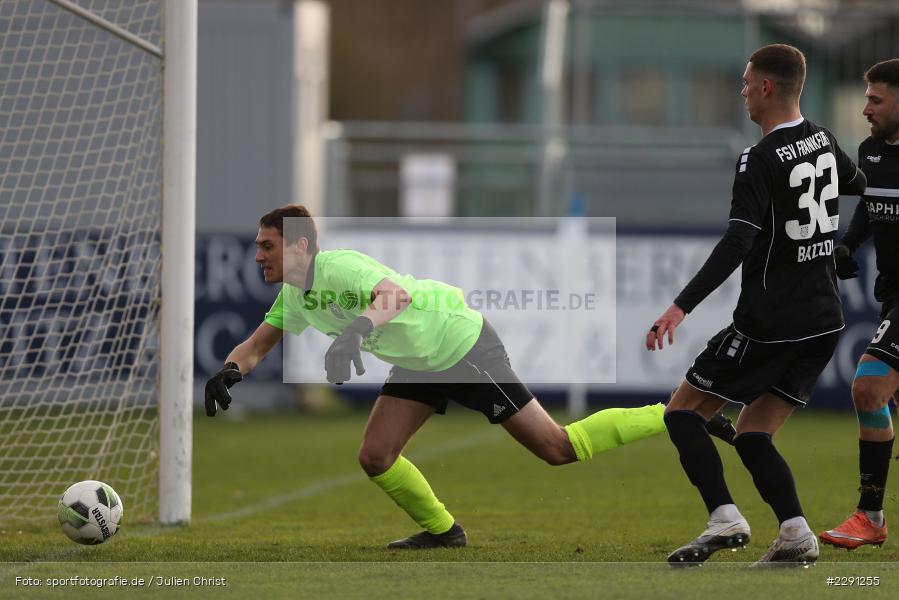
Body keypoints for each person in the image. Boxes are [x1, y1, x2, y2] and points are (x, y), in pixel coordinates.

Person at [205, 204, 686, 549]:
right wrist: (229, 371)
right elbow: (255, 346)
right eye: (257, 248)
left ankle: (673, 413)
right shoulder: (294, 296)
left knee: (556, 449)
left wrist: (353, 332)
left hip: (462, 346)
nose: (258, 256)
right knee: (375, 456)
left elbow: (396, 297)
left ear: (300, 245)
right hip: (418, 365)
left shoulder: (339, 267)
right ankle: (444, 532)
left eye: (267, 245)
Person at [646, 44, 867, 566]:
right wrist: (846, 245)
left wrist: (681, 306)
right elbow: (861, 187)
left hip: (770, 323)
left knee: (681, 414)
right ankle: (796, 535)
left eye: (747, 82)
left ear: (767, 87)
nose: (742, 91)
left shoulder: (760, 157)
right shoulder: (825, 139)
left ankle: (725, 518)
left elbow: (738, 241)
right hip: (823, 321)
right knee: (752, 433)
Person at [819, 59, 899, 551]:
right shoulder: (870, 152)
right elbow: (872, 206)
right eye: (865, 97)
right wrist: (849, 244)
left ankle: (869, 517)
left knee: (869, 389)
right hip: (892, 295)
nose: (864, 107)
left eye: (876, 99)